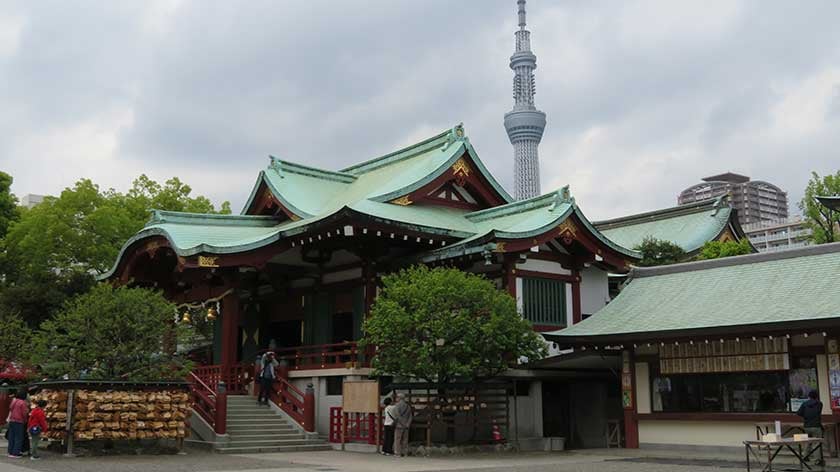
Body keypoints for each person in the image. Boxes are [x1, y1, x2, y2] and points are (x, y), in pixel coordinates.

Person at [796, 390, 824, 466]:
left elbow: (798, 413)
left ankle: (805, 456)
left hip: (807, 426)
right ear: (817, 396)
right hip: (816, 426)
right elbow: (819, 412)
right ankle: (817, 460)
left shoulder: (804, 404)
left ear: (809, 396)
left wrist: (805, 416)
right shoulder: (819, 404)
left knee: (807, 441)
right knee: (816, 443)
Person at [6, 390, 29, 458]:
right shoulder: (22, 403)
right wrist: (25, 420)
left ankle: (10, 451)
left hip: (12, 420)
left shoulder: (14, 401)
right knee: (18, 437)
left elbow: (10, 408)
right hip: (19, 421)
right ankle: (16, 453)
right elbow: (24, 413)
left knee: (11, 437)